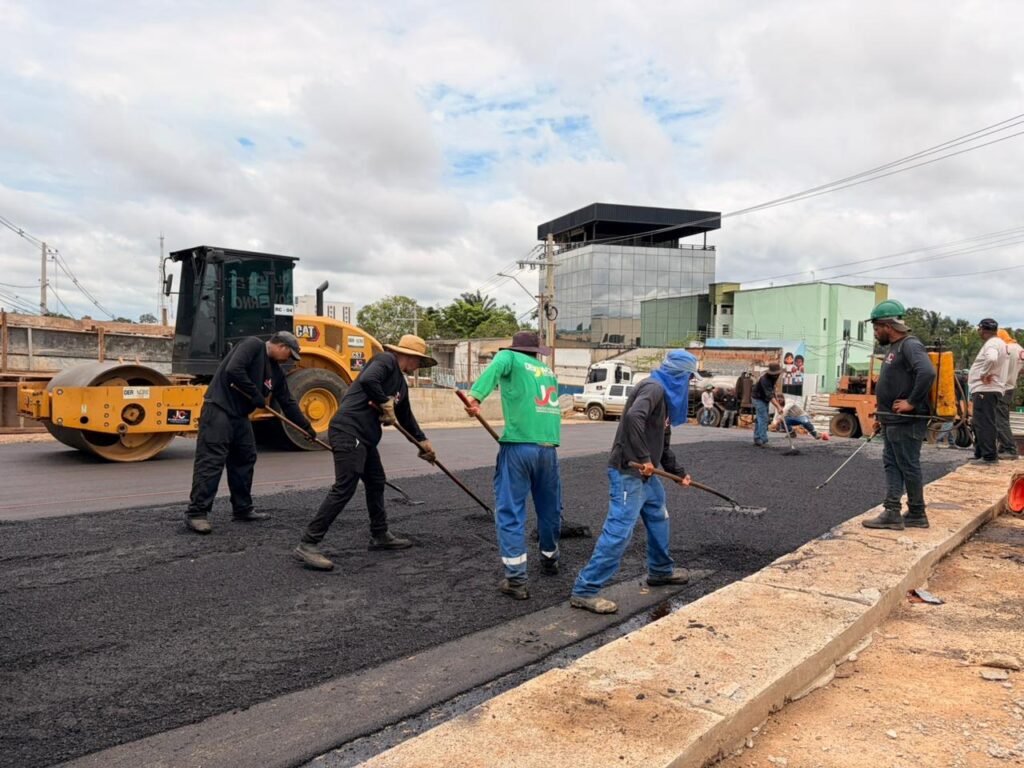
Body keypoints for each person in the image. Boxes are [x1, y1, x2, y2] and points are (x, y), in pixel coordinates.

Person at [569, 349, 697, 614]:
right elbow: (633, 417)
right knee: (619, 531)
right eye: (689, 378)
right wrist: (643, 458)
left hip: (647, 477)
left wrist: (678, 473)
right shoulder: (654, 388)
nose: (690, 384)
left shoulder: (665, 401)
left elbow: (662, 445)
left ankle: (660, 571)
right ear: (679, 376)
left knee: (659, 517)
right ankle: (585, 590)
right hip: (628, 472)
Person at [294, 335, 437, 571]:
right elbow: (369, 380)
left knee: (376, 481)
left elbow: (406, 417)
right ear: (408, 356)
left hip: (366, 437)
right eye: (419, 361)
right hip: (348, 430)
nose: (419, 366)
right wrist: (384, 401)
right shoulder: (385, 361)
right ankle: (308, 543)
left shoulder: (401, 385)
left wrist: (422, 442)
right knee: (345, 486)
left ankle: (380, 534)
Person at [463, 331, 561, 600]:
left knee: (510, 511)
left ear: (515, 348)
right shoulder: (547, 371)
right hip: (548, 450)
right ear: (536, 351)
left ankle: (516, 580)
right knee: (549, 508)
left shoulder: (509, 357)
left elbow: (495, 368)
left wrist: (475, 397)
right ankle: (550, 558)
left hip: (518, 447)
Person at [185, 331, 315, 534]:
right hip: (219, 409)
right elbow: (233, 370)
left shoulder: (276, 371)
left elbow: (287, 401)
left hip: (240, 416)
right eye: (289, 354)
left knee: (245, 458)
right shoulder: (253, 345)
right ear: (281, 346)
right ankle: (197, 513)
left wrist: (305, 427)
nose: (289, 359)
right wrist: (255, 394)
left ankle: (242, 508)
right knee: (211, 461)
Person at [862, 300, 936, 530]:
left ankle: (916, 512)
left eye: (877, 328)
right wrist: (882, 417)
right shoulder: (895, 348)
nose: (875, 333)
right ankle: (894, 511)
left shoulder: (910, 345)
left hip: (907, 421)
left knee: (907, 464)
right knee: (893, 464)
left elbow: (927, 372)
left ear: (888, 326)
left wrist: (911, 402)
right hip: (892, 420)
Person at [968, 319, 1007, 466]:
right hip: (988, 389)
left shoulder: (992, 344)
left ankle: (989, 456)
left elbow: (991, 358)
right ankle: (980, 453)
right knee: (980, 422)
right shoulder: (999, 343)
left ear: (982, 330)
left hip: (986, 389)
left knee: (984, 422)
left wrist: (984, 373)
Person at [996, 329, 1023, 460]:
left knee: (999, 419)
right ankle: (1003, 446)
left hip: (1001, 388)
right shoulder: (1020, 349)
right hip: (1010, 387)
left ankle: (1010, 449)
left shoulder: (1005, 349)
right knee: (1003, 419)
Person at [751, 362, 782, 447]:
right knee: (764, 418)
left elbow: (772, 390)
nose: (777, 375)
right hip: (758, 398)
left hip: (764, 399)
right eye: (775, 374)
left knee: (760, 418)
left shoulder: (775, 376)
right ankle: (763, 440)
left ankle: (757, 438)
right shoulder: (764, 379)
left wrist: (776, 398)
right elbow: (769, 395)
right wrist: (778, 407)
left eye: (778, 373)